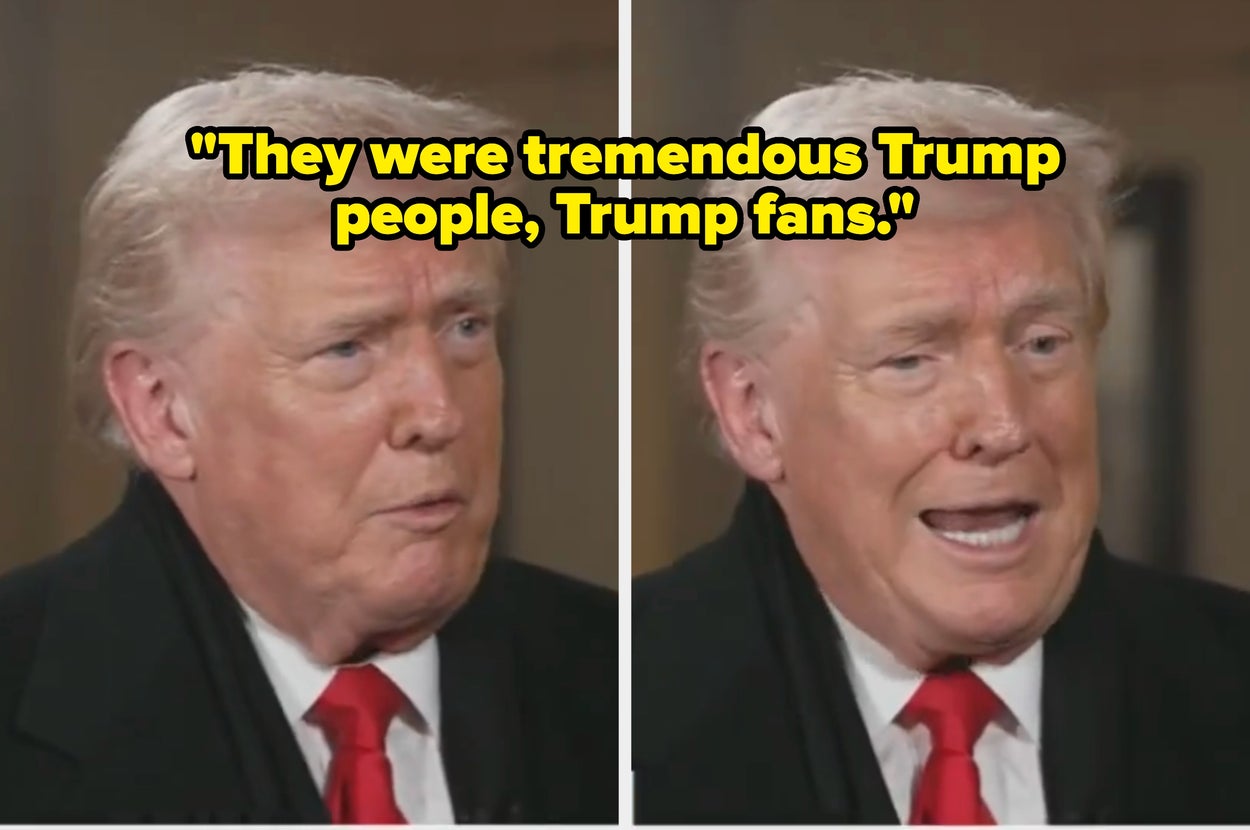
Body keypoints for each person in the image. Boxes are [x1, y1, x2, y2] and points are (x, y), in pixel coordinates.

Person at [0, 67, 615, 823]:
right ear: (162, 410)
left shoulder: (635, 676)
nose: (438, 412)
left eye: (466, 328)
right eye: (349, 348)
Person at [633, 73, 1250, 824]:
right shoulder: (610, 712)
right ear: (753, 413)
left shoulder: (1225, 685)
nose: (1003, 422)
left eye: (1043, 344)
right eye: (911, 360)